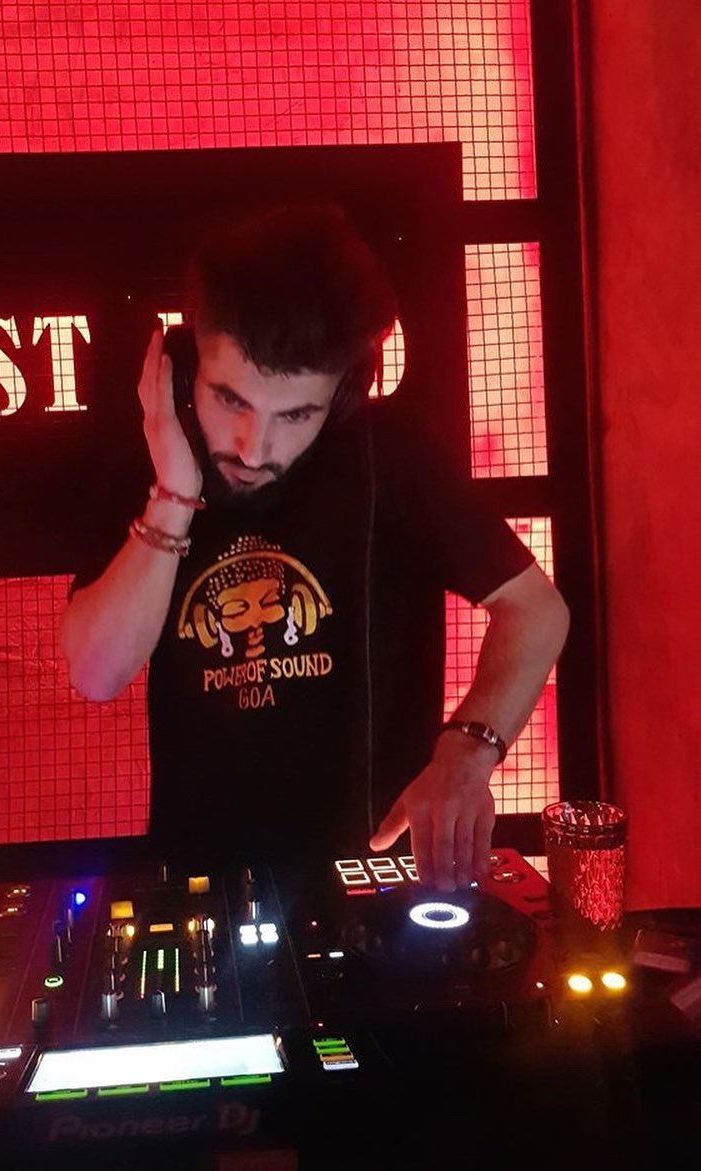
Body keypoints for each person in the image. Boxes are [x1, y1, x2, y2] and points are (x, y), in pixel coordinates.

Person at [61, 202, 569, 891]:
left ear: (345, 395)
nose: (254, 447)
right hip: (202, 884)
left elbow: (537, 610)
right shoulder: (153, 454)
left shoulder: (392, 456)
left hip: (373, 878)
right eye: (230, 400)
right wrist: (174, 492)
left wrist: (467, 752)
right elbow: (95, 672)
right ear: (184, 371)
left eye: (295, 414)